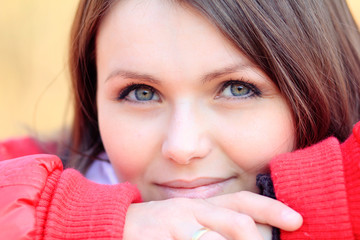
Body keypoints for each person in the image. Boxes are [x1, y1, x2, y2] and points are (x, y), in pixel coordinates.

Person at [1, 0, 359, 239]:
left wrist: (319, 212)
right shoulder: (33, 177)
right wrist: (78, 223)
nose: (182, 147)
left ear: (322, 83)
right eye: (141, 92)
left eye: (236, 89)